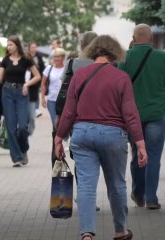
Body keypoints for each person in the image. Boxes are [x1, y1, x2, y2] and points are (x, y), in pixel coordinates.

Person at [55, 35, 147, 240]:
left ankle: (87, 233)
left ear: (92, 51)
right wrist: (140, 144)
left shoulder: (79, 75)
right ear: (115, 53)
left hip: (82, 134)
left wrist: (59, 137)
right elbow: (131, 114)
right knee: (117, 184)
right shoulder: (121, 77)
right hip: (113, 135)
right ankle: (121, 230)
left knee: (86, 185)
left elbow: (69, 111)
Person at [119, 23, 165, 210]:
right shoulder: (162, 58)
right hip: (156, 114)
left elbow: (119, 88)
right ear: (152, 39)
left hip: (132, 117)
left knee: (138, 153)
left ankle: (138, 194)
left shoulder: (125, 58)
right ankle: (152, 198)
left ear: (134, 38)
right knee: (153, 156)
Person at [0, 35, 41, 167]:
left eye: (10, 44)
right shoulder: (5, 60)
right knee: (11, 127)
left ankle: (23, 149)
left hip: (21, 93)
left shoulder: (26, 59)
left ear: (17, 45)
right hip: (7, 93)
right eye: (7, 45)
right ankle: (16, 157)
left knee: (22, 126)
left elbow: (38, 76)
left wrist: (27, 84)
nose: (8, 47)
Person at [41, 48, 65, 129]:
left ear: (63, 57)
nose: (56, 59)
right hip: (51, 100)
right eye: (55, 57)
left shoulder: (66, 69)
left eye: (58, 56)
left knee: (62, 123)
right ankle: (55, 141)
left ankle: (61, 138)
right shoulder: (49, 68)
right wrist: (43, 98)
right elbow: (43, 83)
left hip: (63, 100)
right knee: (55, 123)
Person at [27, 42, 45, 135]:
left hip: (36, 80)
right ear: (29, 48)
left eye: (35, 47)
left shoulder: (39, 56)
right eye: (32, 47)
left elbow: (42, 68)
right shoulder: (26, 56)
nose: (34, 48)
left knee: (34, 96)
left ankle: (36, 109)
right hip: (26, 82)